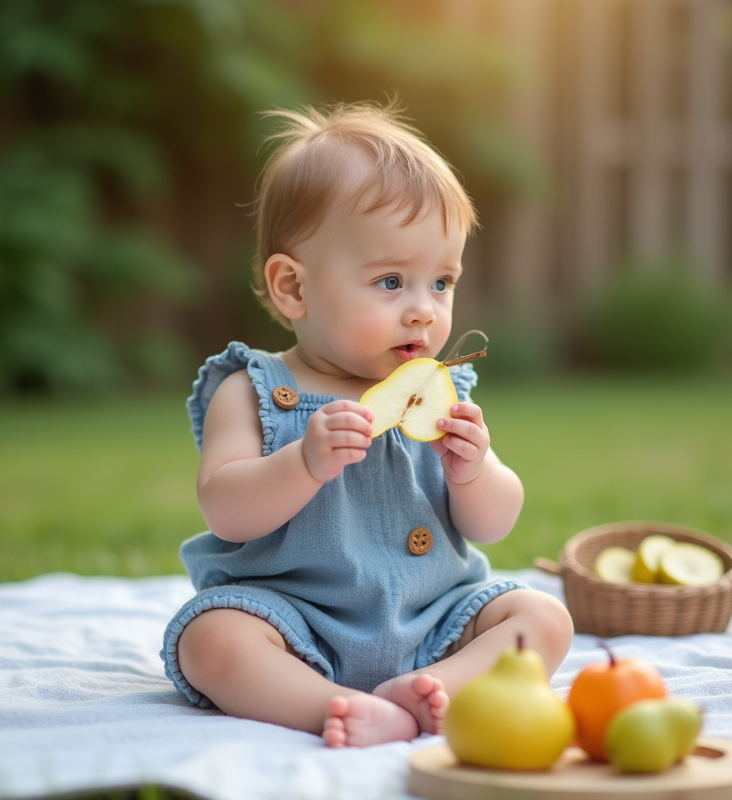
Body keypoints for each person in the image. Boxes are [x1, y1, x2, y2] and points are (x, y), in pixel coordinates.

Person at [160, 101, 573, 748]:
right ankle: (336, 704)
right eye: (390, 281)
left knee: (542, 618)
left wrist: (475, 470)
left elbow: (493, 524)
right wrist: (303, 463)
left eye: (441, 282)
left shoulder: (442, 391)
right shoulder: (253, 390)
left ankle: (436, 686)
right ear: (293, 289)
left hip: (433, 619)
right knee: (209, 642)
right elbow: (226, 511)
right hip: (295, 623)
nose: (423, 312)